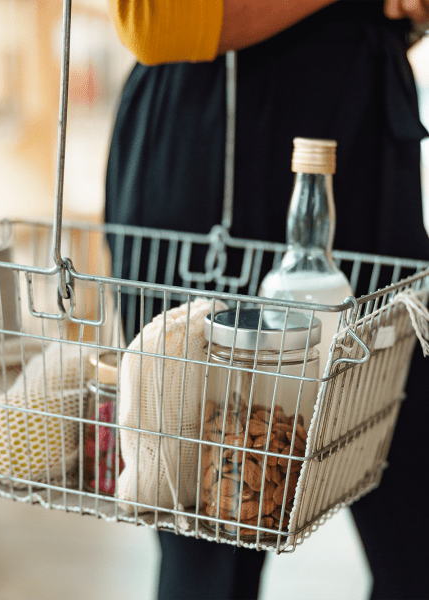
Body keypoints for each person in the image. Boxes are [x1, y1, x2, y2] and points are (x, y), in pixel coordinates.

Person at [104, 0, 429, 598]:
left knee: (420, 523)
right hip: (220, 154)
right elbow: (152, 19)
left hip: (366, 140)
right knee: (217, 529)